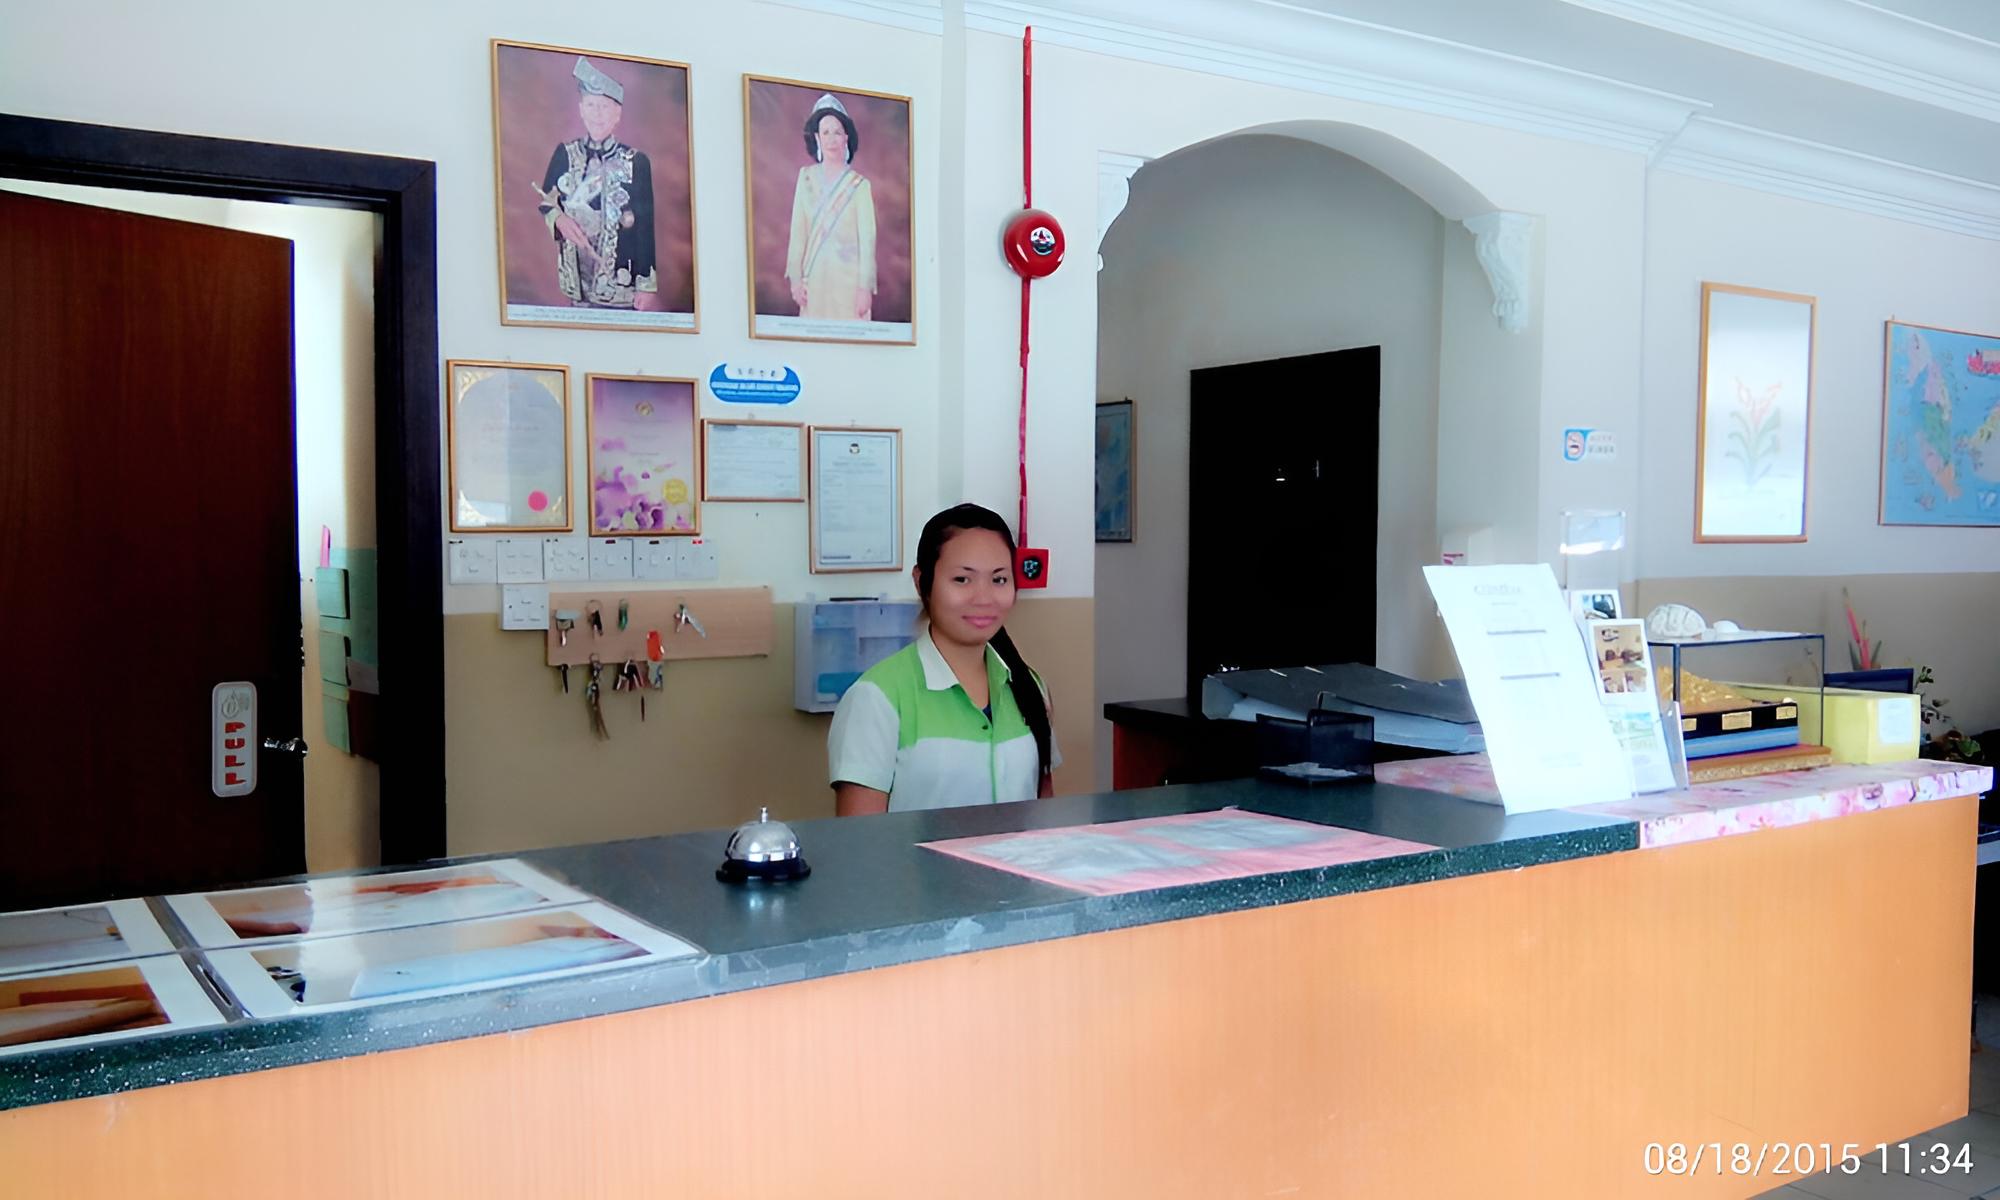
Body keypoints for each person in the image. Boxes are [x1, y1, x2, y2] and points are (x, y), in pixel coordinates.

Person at [828, 504, 1057, 814]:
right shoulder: (875, 698)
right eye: (962, 579)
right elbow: (861, 836)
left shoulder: (1030, 687)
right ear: (922, 582)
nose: (984, 598)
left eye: (999, 580)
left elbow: (1044, 816)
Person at [532, 56, 661, 312]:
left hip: (621, 286)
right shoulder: (565, 154)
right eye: (591, 105)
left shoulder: (636, 162)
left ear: (617, 114)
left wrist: (646, 285)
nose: (597, 114)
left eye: (604, 107)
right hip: (576, 282)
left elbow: (645, 227)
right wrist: (559, 219)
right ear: (581, 109)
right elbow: (547, 202)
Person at [783, 93, 877, 321]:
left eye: (837, 132)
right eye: (825, 132)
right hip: (813, 286)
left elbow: (867, 242)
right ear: (817, 137)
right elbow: (798, 233)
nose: (831, 139)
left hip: (849, 288)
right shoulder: (805, 178)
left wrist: (865, 288)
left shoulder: (859, 185)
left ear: (846, 137)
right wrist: (795, 280)